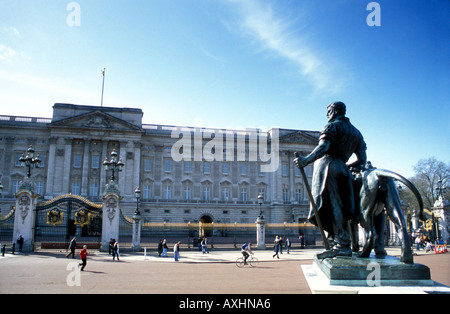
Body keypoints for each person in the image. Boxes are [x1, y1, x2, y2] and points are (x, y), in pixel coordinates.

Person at [294, 101, 367, 258]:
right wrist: (345, 166)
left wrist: (306, 160)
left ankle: (342, 244)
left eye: (328, 111)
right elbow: (362, 159)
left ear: (334, 111)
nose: (327, 115)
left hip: (328, 167)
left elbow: (323, 147)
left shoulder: (331, 126)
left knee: (332, 206)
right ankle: (336, 242)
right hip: (343, 168)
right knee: (339, 207)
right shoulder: (356, 132)